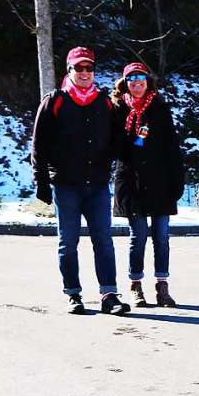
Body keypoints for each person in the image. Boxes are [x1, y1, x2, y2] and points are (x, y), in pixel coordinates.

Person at [31, 46, 131, 315]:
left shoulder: (105, 102)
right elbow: (39, 145)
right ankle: (73, 294)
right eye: (79, 68)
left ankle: (109, 294)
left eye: (89, 68)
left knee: (104, 240)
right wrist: (41, 181)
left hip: (97, 184)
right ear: (69, 70)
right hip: (66, 185)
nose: (85, 73)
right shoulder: (55, 101)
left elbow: (118, 140)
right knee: (68, 242)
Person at [112, 62, 185, 308]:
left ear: (147, 80)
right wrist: (133, 138)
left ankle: (162, 287)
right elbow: (114, 149)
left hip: (160, 184)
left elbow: (172, 148)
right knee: (139, 236)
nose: (136, 82)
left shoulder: (160, 109)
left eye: (140, 77)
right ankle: (135, 285)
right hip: (131, 184)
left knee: (161, 236)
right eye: (131, 79)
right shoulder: (118, 109)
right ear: (125, 83)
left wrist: (177, 182)